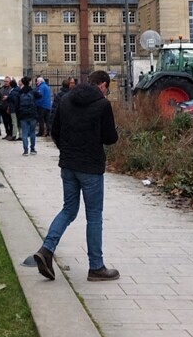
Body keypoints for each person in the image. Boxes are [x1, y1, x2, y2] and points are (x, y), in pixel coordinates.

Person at [30, 69, 121, 282]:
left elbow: (55, 128)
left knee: (68, 209)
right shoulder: (102, 105)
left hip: (68, 165)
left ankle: (46, 249)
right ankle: (96, 267)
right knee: (94, 216)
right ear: (103, 86)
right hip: (91, 167)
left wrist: (66, 149)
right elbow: (110, 138)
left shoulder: (66, 99)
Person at [16, 76, 40, 155]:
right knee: (32, 132)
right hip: (32, 114)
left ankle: (25, 150)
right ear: (29, 82)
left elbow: (17, 104)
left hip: (23, 114)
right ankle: (32, 149)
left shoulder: (20, 92)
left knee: (24, 133)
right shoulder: (33, 91)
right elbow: (40, 96)